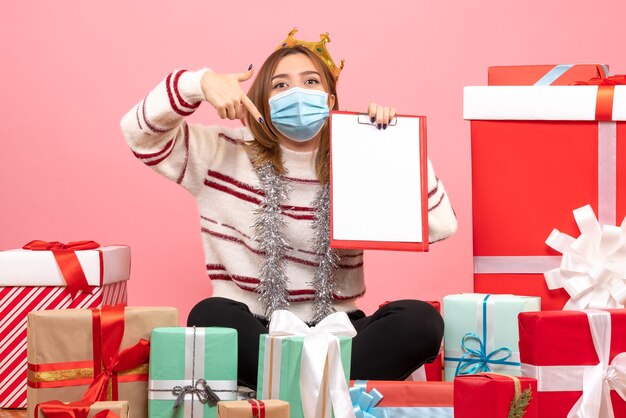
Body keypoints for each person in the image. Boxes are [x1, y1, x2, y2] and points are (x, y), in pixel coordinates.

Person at [121, 29, 457, 389]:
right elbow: (140, 135)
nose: (297, 93)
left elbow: (440, 223)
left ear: (330, 101)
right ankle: (327, 390)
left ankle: (288, 390)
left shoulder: (358, 155)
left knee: (422, 320)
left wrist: (395, 144)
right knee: (209, 315)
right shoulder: (220, 150)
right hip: (257, 326)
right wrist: (198, 83)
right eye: (280, 86)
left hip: (341, 330)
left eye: (310, 81)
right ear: (262, 101)